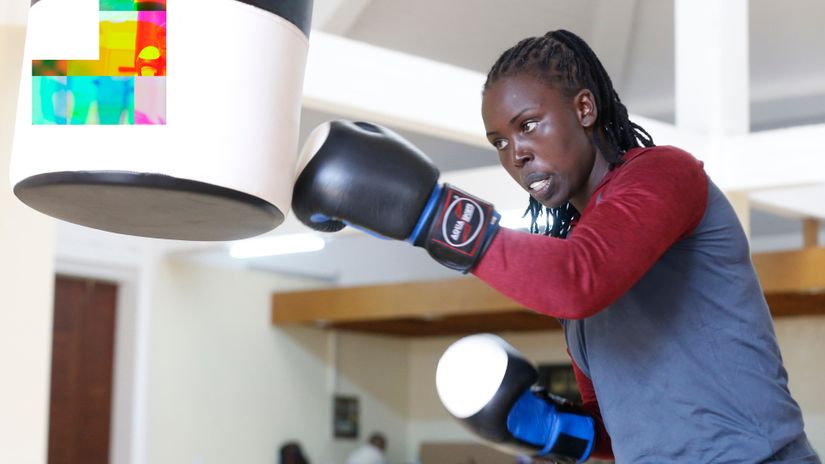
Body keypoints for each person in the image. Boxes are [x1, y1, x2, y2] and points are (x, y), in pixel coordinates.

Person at [291, 30, 820, 463]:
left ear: (584, 109)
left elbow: (578, 278)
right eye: (499, 141)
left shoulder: (665, 174)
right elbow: (620, 434)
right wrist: (549, 427)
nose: (516, 153)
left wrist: (431, 214)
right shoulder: (574, 282)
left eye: (528, 125)